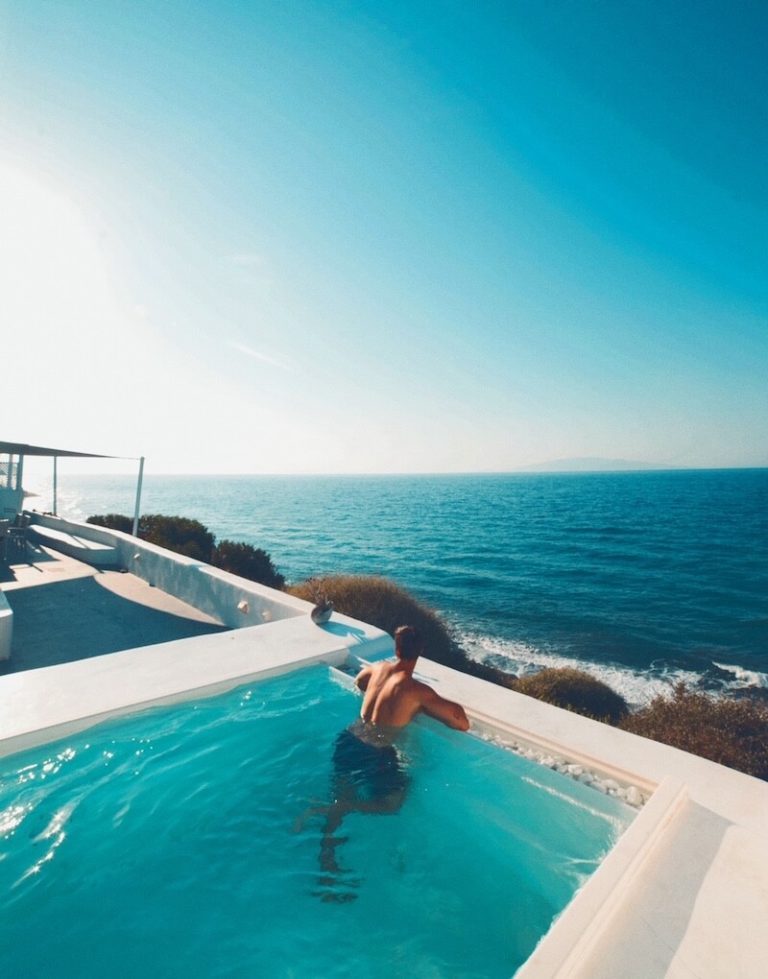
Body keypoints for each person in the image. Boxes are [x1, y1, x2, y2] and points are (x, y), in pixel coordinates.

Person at [303, 625, 469, 900]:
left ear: (396, 648)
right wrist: (415, 707)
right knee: (391, 804)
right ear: (420, 652)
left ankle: (327, 867)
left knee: (338, 801)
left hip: (348, 739)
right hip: (375, 751)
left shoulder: (378, 668)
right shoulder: (417, 691)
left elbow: (359, 682)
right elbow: (460, 722)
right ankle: (344, 806)